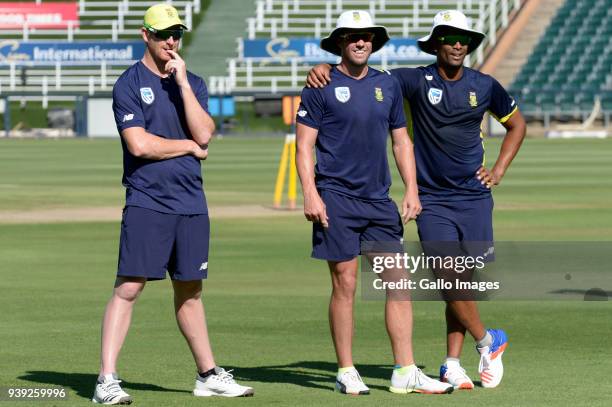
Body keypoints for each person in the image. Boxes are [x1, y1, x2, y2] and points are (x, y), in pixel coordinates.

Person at [307, 10, 526, 390]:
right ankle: (489, 340)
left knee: (464, 281)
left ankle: (453, 363)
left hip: (475, 198)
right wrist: (324, 66)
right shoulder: (410, 80)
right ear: (436, 42)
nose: (457, 44)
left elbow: (517, 125)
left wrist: (501, 171)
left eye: (464, 38)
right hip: (433, 199)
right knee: (446, 275)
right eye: (449, 37)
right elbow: (359, 74)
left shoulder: (485, 84)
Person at [92, 4, 254, 404]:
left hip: (192, 203)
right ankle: (106, 381)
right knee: (129, 287)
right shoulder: (129, 83)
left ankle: (207, 375)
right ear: (144, 34)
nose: (171, 41)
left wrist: (181, 84)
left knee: (191, 290)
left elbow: (205, 133)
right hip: (148, 201)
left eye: (176, 34)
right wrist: (188, 147)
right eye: (163, 33)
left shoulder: (192, 82)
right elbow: (139, 144)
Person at [296, 10, 453, 396]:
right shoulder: (320, 84)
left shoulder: (388, 86)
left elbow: (402, 141)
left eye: (366, 36)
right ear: (339, 43)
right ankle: (346, 370)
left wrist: (412, 189)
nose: (360, 42)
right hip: (336, 198)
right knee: (345, 284)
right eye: (352, 37)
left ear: (375, 42)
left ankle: (405, 370)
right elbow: (304, 146)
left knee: (398, 284)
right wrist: (310, 192)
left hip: (379, 202)